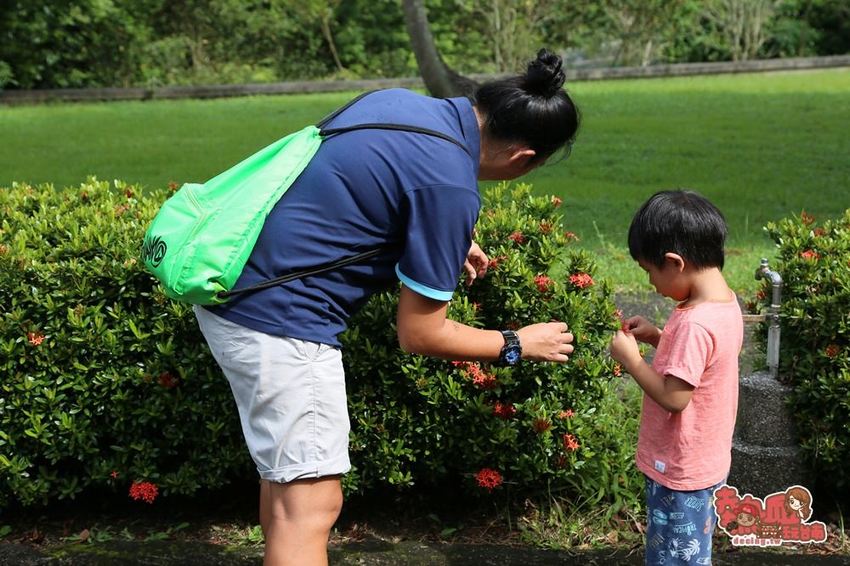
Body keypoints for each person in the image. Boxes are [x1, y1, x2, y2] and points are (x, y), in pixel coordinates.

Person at [194, 48, 580, 566]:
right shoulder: (449, 186)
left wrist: (435, 236)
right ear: (523, 159)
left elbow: (354, 186)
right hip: (282, 321)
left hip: (234, 286)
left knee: (289, 495)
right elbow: (421, 334)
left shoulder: (397, 104)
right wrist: (516, 343)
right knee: (311, 506)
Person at [609, 190, 743, 566]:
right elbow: (703, 364)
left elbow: (674, 397)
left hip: (680, 470)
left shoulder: (695, 323)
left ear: (675, 262)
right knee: (691, 551)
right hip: (706, 461)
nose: (652, 283)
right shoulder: (724, 303)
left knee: (674, 557)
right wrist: (658, 337)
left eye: (649, 272)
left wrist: (634, 361)